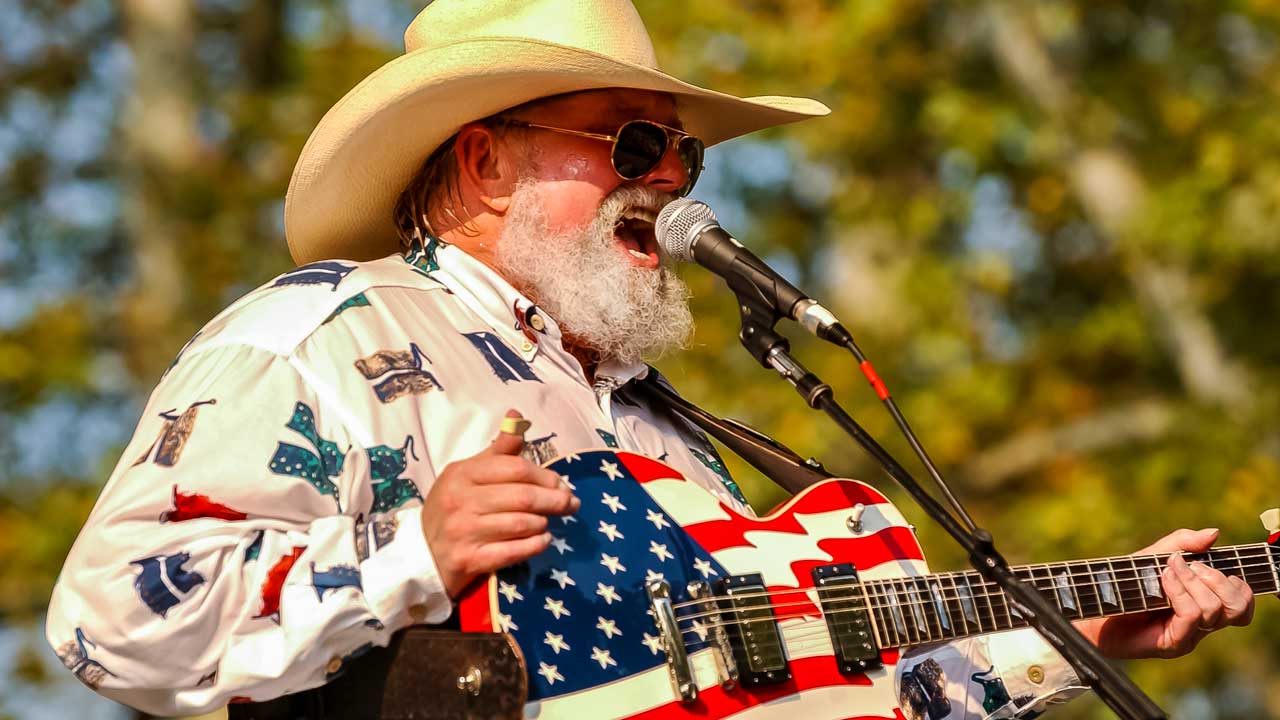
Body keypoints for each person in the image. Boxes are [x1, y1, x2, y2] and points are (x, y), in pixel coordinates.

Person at [47, 1, 1254, 718]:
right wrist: (411, 552)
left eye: (684, 157)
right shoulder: (326, 331)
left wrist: (1071, 634)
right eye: (631, 142)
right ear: (484, 163)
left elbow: (824, 696)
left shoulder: (665, 433)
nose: (668, 180)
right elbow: (110, 618)